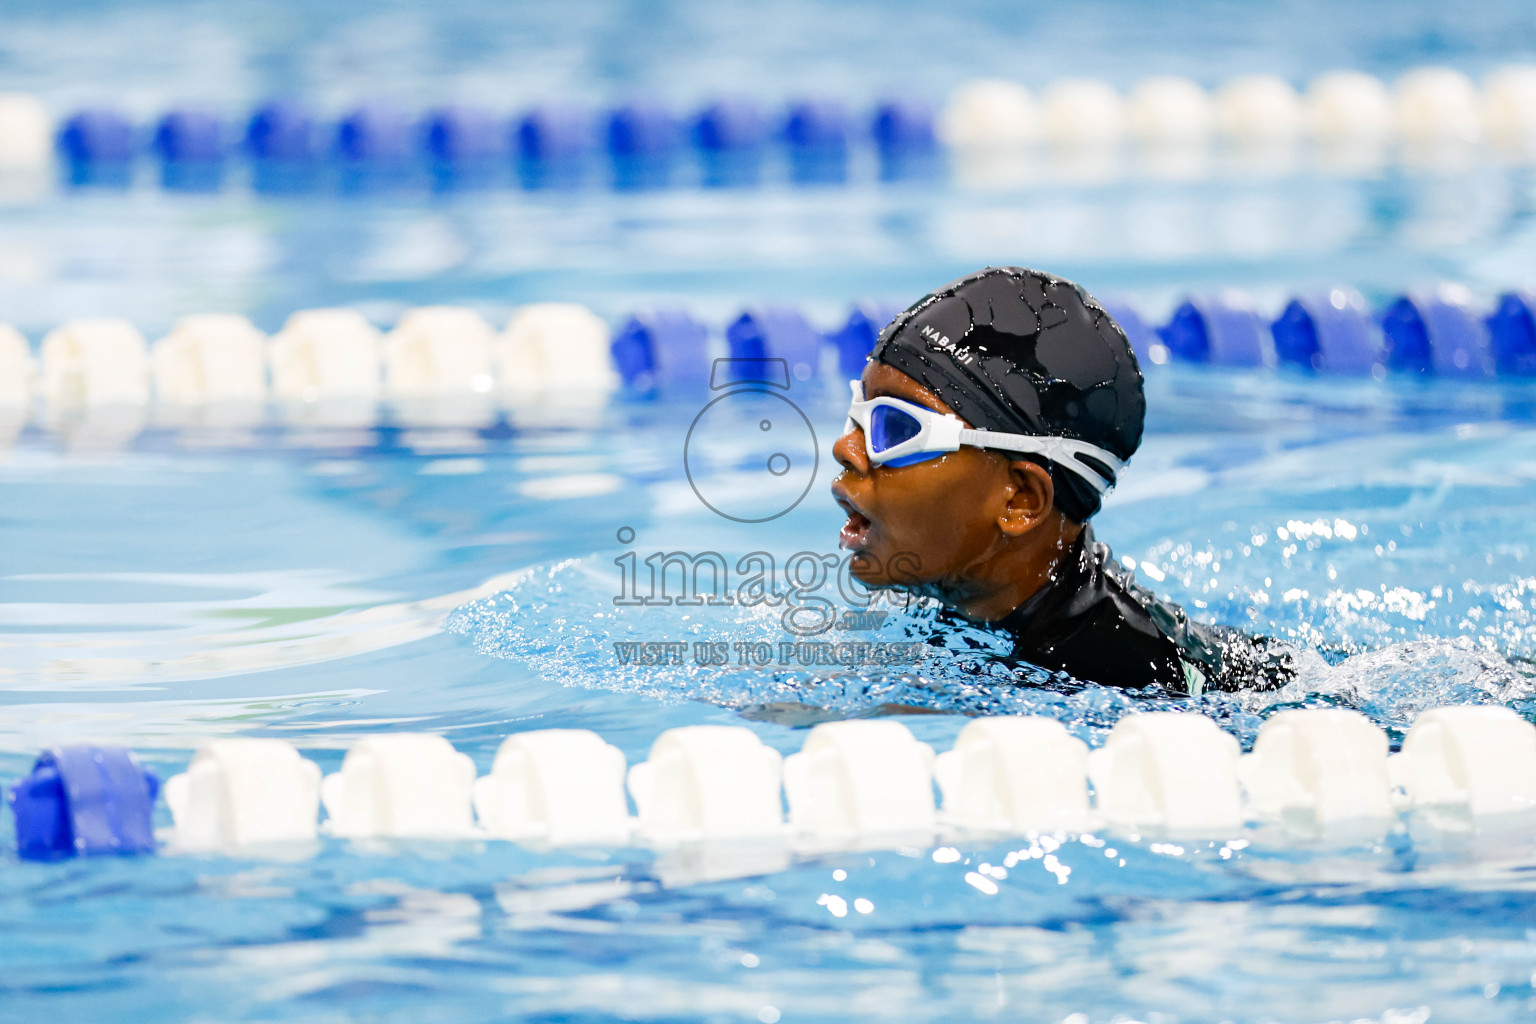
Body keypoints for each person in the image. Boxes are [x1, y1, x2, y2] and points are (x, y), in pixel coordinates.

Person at [830, 266, 1293, 694]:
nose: (846, 448)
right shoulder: (980, 594)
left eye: (896, 428)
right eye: (859, 410)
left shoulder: (1114, 678)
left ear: (1021, 500)